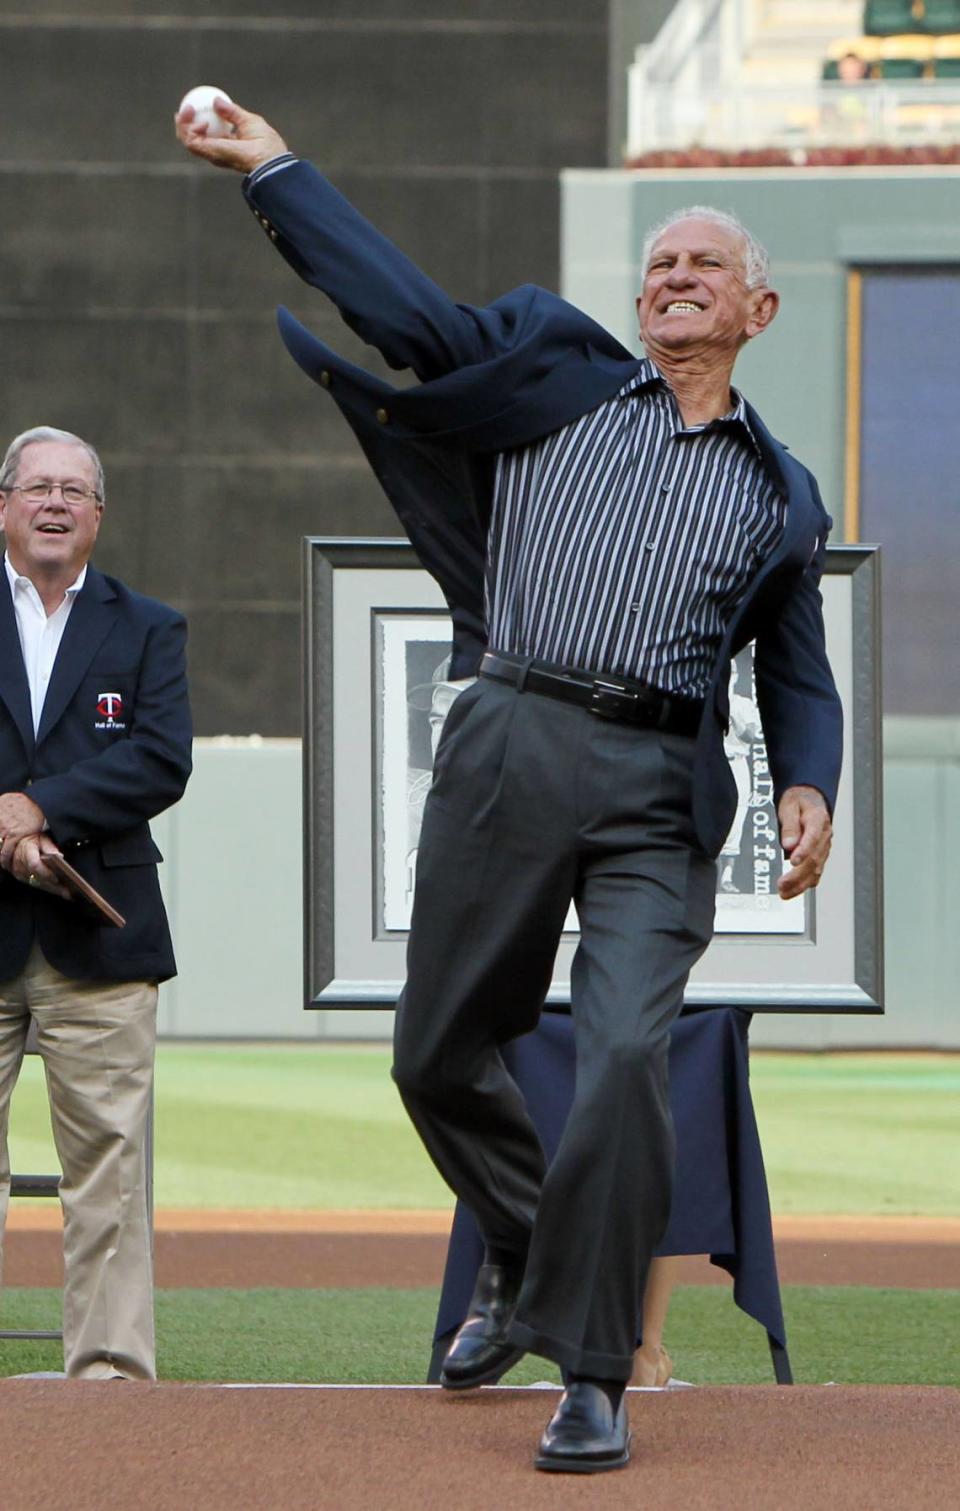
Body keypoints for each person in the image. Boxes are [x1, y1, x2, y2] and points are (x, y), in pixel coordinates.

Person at [177, 100, 841, 1472]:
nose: (670, 280)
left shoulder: (781, 493)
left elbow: (796, 667)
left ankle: (592, 1369)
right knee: (434, 1051)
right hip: (513, 742)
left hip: (664, 782)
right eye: (658, 263)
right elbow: (405, 306)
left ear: (758, 309)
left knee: (622, 1065)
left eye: (701, 266)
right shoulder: (551, 373)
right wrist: (277, 171)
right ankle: (532, 1249)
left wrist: (810, 782)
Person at [0, 427, 192, 1380]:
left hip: (99, 938)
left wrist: (44, 808)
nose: (54, 502)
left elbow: (162, 759)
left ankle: (108, 1374)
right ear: (4, 504)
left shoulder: (148, 624)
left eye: (74, 489)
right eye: (37, 485)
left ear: (98, 516)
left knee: (108, 1171)